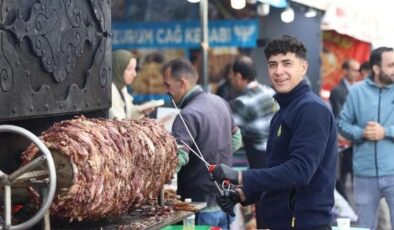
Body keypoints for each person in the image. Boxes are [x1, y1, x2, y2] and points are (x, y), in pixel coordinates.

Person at [211, 35, 338, 229]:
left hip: (303, 223)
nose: (279, 71)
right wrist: (244, 194)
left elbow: (300, 171)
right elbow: (278, 169)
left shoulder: (312, 109)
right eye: (272, 64)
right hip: (280, 220)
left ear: (303, 67)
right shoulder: (283, 110)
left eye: (287, 63)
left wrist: (241, 177)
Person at [161, 58, 242, 228]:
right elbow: (236, 139)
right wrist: (217, 157)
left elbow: (178, 157)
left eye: (168, 85)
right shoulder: (221, 102)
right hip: (225, 203)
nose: (165, 90)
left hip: (200, 207)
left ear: (182, 83)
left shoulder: (187, 115)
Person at [338, 47, 394, 229]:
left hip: (393, 171)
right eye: (391, 65)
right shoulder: (357, 91)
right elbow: (342, 124)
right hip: (364, 173)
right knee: (365, 227)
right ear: (377, 68)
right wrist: (362, 133)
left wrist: (384, 132)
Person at [229, 55, 277, 169]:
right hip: (276, 153)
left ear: (238, 76)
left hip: (258, 158)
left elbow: (230, 133)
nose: (231, 80)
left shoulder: (242, 102)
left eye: (232, 76)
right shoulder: (270, 91)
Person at [329, 59, 360, 200]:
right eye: (353, 70)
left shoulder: (358, 89)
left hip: (356, 138)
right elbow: (339, 116)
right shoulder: (337, 90)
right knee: (341, 175)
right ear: (345, 71)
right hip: (343, 140)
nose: (356, 73)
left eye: (357, 70)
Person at [109, 49, 154, 119]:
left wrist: (141, 110)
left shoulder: (122, 88)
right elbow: (117, 120)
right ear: (118, 69)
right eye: (129, 69)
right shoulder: (109, 91)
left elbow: (128, 114)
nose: (134, 74)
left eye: (134, 69)